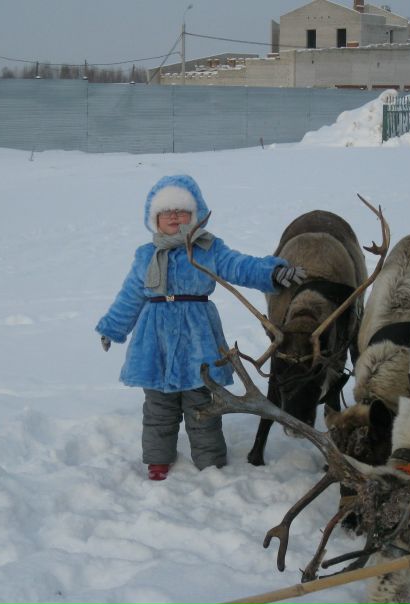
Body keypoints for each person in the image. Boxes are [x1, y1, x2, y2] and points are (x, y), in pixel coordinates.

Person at [96, 174, 306, 481]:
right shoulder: (146, 256)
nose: (174, 217)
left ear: (196, 216)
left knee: (203, 403)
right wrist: (112, 328)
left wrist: (272, 272)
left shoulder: (209, 249)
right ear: (153, 218)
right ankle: (157, 461)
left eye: (182, 212)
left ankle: (210, 462)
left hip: (199, 338)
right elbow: (130, 296)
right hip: (155, 343)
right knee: (158, 407)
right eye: (166, 212)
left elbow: (240, 265)